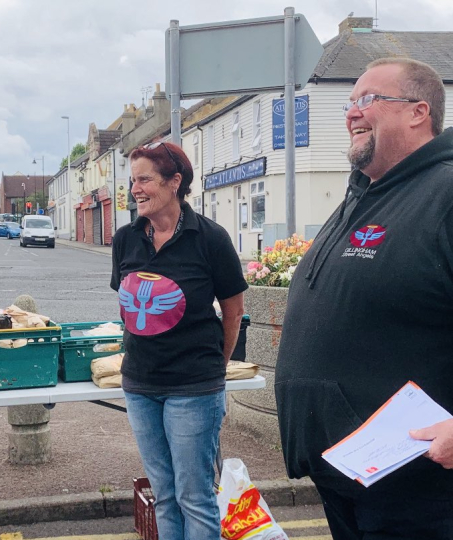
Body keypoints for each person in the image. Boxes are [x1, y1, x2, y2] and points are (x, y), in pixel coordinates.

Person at [276, 57, 453, 540]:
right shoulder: (364, 193)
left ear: (419, 112)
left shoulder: (445, 193)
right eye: (350, 102)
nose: (352, 112)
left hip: (418, 490)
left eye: (368, 99)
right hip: (350, 477)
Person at [110, 141, 247, 540]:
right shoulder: (125, 239)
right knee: (165, 496)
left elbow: (233, 311)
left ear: (174, 182)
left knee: (195, 496)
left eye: (145, 180)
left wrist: (214, 369)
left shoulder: (210, 238)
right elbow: (130, 307)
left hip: (193, 386)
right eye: (132, 180)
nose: (135, 189)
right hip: (139, 384)